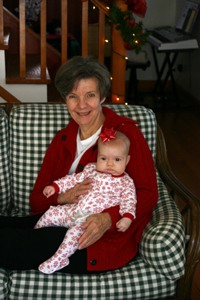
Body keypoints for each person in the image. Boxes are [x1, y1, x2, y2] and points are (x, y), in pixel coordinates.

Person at [0, 56, 158, 274]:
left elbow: (148, 193)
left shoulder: (125, 133)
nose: (81, 105)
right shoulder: (62, 140)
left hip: (92, 237)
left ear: (102, 96)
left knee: (9, 243)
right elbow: (37, 201)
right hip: (62, 217)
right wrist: (62, 197)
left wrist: (109, 218)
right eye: (73, 96)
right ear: (65, 99)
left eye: (90, 95)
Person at [35, 130, 137, 274]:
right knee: (52, 213)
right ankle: (36, 236)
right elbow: (73, 179)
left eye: (117, 160)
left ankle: (59, 259)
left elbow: (129, 200)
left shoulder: (125, 182)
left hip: (87, 220)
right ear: (97, 158)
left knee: (74, 234)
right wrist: (56, 186)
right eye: (103, 159)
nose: (109, 164)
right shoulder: (91, 169)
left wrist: (127, 217)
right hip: (73, 210)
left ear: (127, 160)